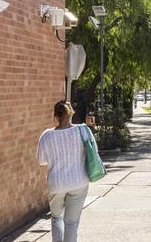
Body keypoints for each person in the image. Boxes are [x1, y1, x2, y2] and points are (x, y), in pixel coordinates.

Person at [38, 100, 89, 242]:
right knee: (71, 223)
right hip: (78, 181)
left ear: (56, 116)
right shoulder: (82, 130)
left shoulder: (46, 135)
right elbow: (93, 152)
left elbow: (42, 160)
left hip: (56, 183)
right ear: (71, 113)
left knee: (56, 219)